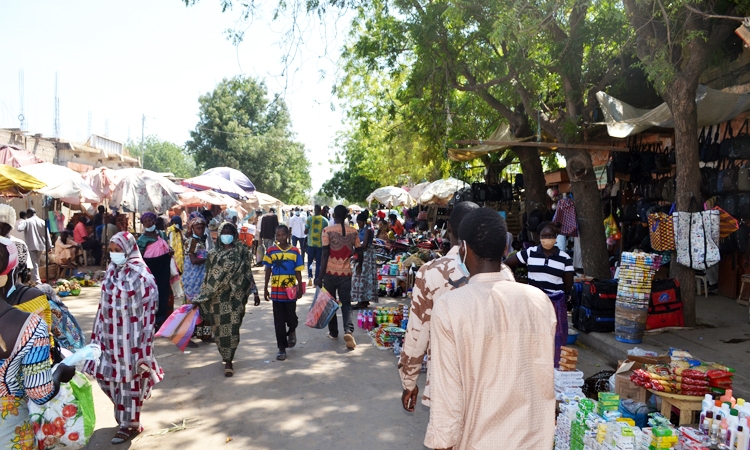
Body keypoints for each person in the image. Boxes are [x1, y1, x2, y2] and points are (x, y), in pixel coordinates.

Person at [423, 208, 556, 450]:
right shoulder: (540, 301)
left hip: (480, 441)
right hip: (534, 441)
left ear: (463, 249)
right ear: (506, 249)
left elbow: (448, 397)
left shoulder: (450, 307)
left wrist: (442, 443)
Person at [398, 201, 491, 412]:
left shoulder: (431, 272)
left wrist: (408, 382)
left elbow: (417, 332)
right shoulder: (501, 272)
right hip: (490, 384)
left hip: (446, 383)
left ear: (449, 228)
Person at [84, 232, 164, 445]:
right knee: (105, 376)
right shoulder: (111, 270)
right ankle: (125, 415)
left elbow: (150, 306)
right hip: (109, 336)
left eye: (119, 250)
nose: (114, 254)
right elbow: (103, 305)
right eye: (112, 250)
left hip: (132, 339)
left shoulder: (141, 274)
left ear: (129, 249)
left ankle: (129, 424)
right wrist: (97, 334)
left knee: (129, 381)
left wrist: (144, 342)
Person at [0, 239, 76, 449]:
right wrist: (61, 371)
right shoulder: (30, 325)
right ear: (9, 273)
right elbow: (39, 393)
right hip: (10, 433)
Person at [194, 222, 259, 377]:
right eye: (224, 231)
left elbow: (247, 272)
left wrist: (255, 291)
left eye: (230, 231)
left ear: (234, 234)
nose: (227, 234)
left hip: (236, 297)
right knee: (220, 328)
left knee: (233, 326)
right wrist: (201, 296)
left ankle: (229, 358)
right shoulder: (212, 254)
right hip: (218, 298)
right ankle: (226, 358)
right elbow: (209, 277)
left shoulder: (242, 251)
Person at [315, 205, 360, 350]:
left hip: (330, 273)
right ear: (347, 215)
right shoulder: (354, 232)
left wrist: (319, 277)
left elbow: (324, 255)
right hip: (346, 273)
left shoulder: (327, 231)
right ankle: (348, 331)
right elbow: (359, 251)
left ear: (333, 215)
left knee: (331, 303)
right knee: (346, 304)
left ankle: (334, 332)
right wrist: (359, 264)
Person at [263, 224, 304, 361]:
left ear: (288, 235)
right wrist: (265, 288)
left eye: (283, 234)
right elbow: (268, 269)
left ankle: (292, 329)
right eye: (278, 235)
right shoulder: (271, 250)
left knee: (291, 317)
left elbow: (298, 270)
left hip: (290, 291)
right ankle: (281, 348)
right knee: (279, 322)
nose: (280, 237)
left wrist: (300, 287)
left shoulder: (295, 251)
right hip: (276, 293)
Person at [137, 212, 173, 329]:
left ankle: (162, 318)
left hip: (164, 266)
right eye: (146, 221)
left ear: (155, 221)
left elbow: (167, 247)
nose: (149, 223)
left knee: (163, 292)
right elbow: (140, 256)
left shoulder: (162, 234)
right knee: (151, 292)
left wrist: (170, 251)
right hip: (150, 268)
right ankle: (151, 319)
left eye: (151, 220)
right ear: (143, 223)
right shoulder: (142, 240)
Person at [183, 212, 211, 342]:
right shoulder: (191, 241)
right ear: (192, 228)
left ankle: (204, 335)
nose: (201, 230)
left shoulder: (201, 240)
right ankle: (186, 337)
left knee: (204, 307)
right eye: (198, 228)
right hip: (192, 280)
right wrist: (209, 258)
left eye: (202, 227)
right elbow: (194, 260)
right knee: (192, 308)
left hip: (201, 279)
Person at [17, 207, 52, 284]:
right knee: (36, 263)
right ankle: (34, 279)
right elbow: (47, 235)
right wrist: (49, 246)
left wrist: (22, 222)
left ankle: (37, 281)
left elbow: (19, 228)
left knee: (34, 264)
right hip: (41, 246)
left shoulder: (27, 221)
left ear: (29, 214)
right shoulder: (42, 221)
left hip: (31, 245)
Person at [351, 210, 378, 310]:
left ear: (364, 221)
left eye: (360, 222)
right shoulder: (361, 230)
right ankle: (364, 300)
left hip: (367, 255)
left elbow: (365, 244)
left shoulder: (368, 230)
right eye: (358, 223)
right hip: (362, 254)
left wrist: (355, 250)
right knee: (363, 277)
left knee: (361, 276)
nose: (359, 224)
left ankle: (361, 301)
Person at [0, 205, 32, 283]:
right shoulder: (19, 244)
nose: (1, 230)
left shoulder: (20, 245)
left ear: (11, 227)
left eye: (5, 227)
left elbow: (26, 272)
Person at [305, 205, 329, 284]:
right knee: (319, 262)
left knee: (310, 261)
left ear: (314, 210)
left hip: (310, 244)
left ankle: (310, 277)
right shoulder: (325, 220)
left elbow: (305, 231)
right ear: (320, 210)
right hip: (320, 244)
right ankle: (317, 279)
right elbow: (327, 232)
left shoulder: (309, 219)